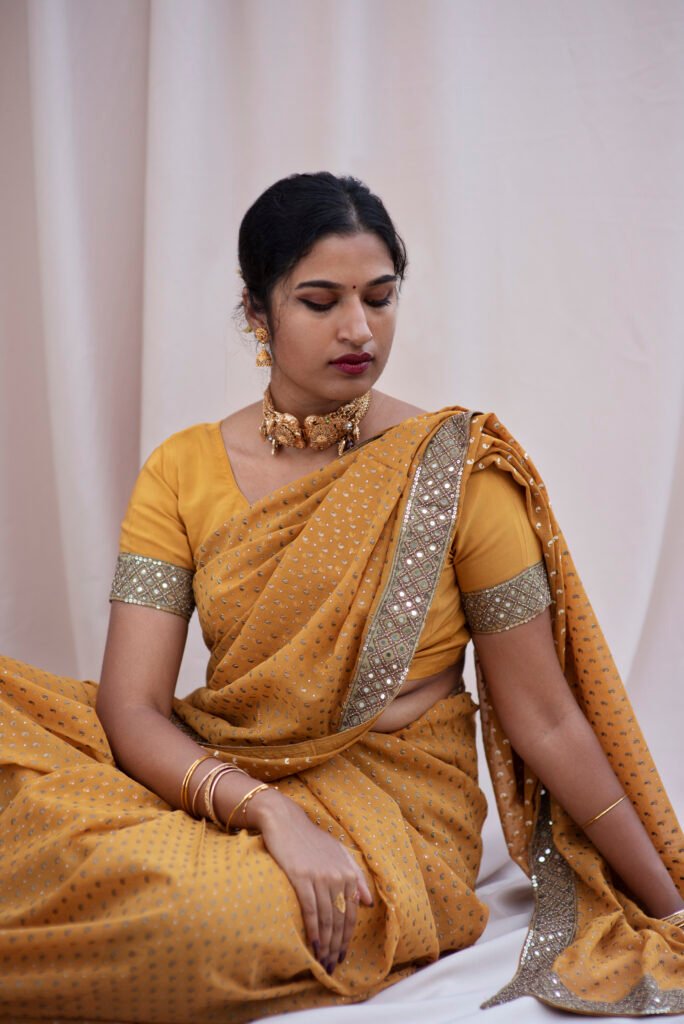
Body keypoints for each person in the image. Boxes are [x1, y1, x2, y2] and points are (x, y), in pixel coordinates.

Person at [0, 172, 682, 1023]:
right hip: (225, 766)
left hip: (396, 813)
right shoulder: (181, 470)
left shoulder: (456, 469)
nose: (359, 329)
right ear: (258, 313)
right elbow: (131, 709)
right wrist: (268, 813)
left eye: (380, 297)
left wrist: (668, 899)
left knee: (185, 921)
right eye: (320, 301)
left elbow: (544, 717)